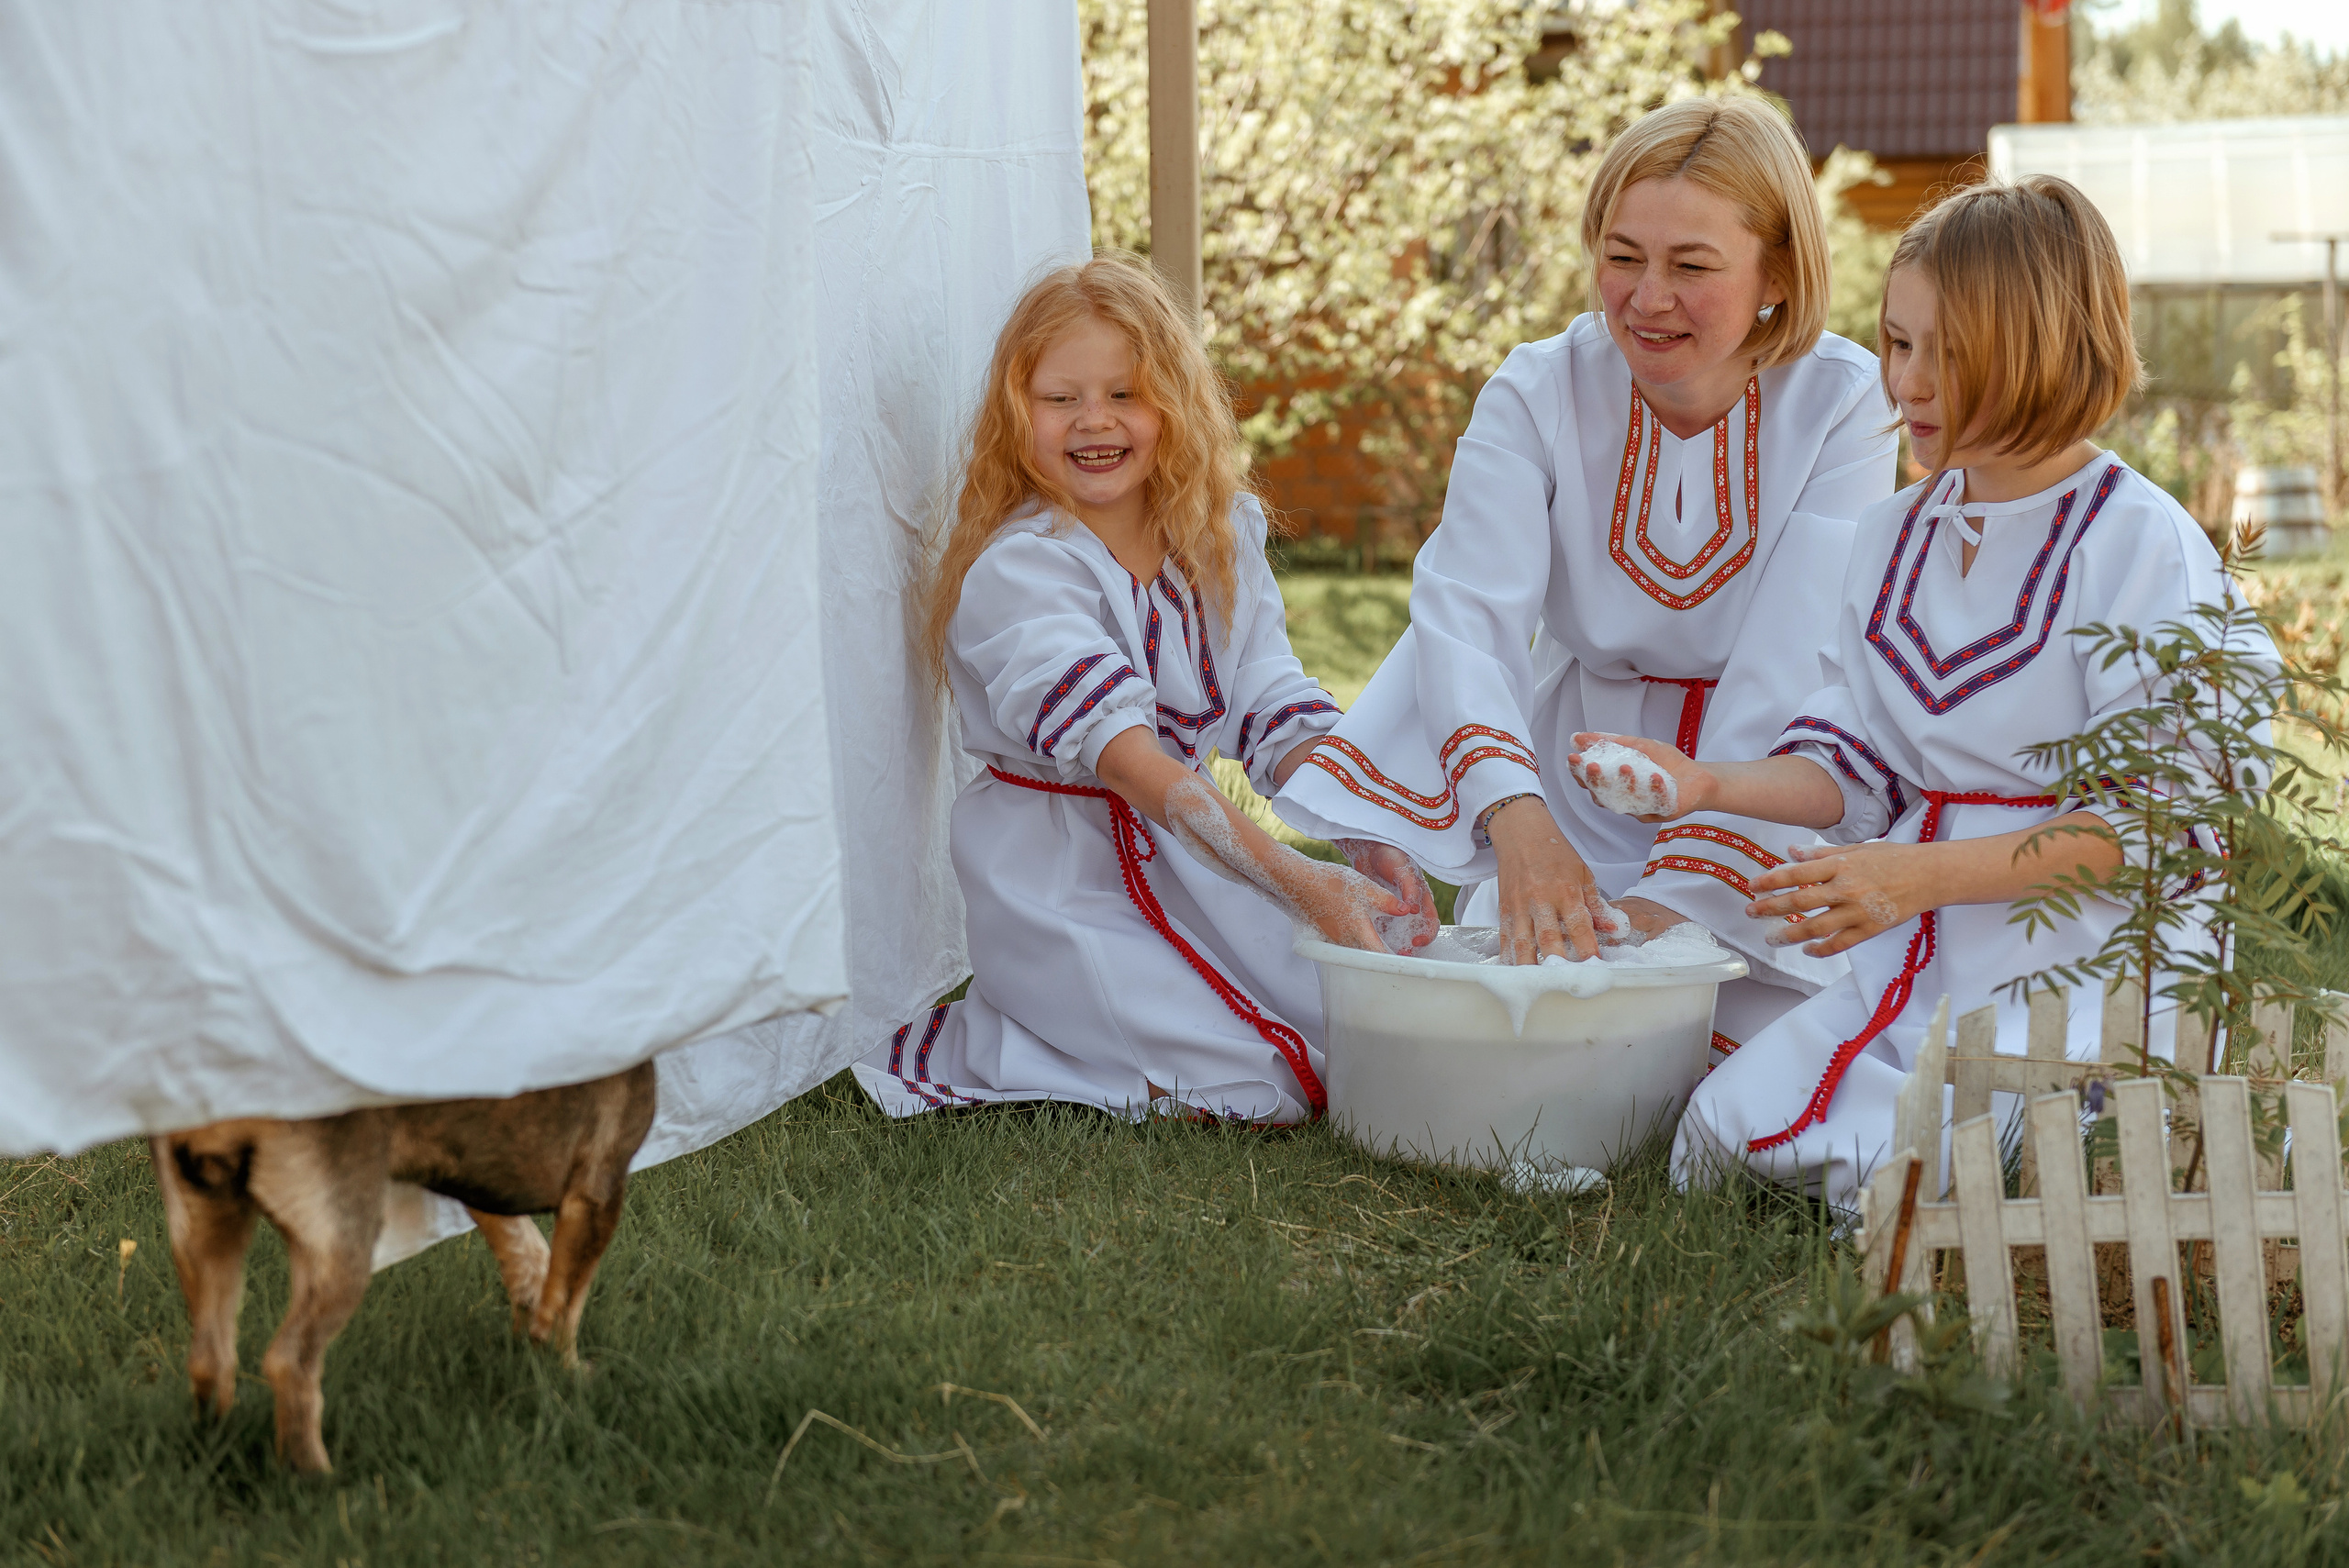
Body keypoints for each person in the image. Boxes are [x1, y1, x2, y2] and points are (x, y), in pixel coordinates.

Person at [1562, 174, 2273, 1209]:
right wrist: (1700, 783)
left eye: (1948, 351)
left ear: (2040, 346)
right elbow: (1850, 766)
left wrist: (1916, 876)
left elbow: (2166, 826)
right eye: (1897, 344)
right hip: (1923, 953)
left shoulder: (2139, 540)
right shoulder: (1895, 533)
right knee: (1718, 1138)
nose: (1910, 383)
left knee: (1937, 1173)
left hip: (2085, 960)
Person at [1271, 97, 1897, 1054]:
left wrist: (1674, 899)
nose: (1646, 297)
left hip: (1764, 786)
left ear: (1776, 272)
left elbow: (1796, 655)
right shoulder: (1535, 388)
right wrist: (1522, 831)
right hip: (1565, 784)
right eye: (1620, 256)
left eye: (1690, 266)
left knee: (1764, 1044)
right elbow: (1466, 618)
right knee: (1526, 1038)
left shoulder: (1846, 400)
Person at [852, 255, 1438, 1124]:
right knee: (1257, 1081)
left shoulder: (1221, 535)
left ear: (1174, 402)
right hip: (1056, 875)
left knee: (1363, 1017)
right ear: (1020, 414)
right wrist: (1293, 880)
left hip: (1186, 860)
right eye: (1061, 398)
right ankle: (1017, 1040)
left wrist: (1362, 828)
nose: (1096, 420)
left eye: (1126, 393)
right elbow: (1127, 764)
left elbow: (1273, 701)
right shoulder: (1021, 566)